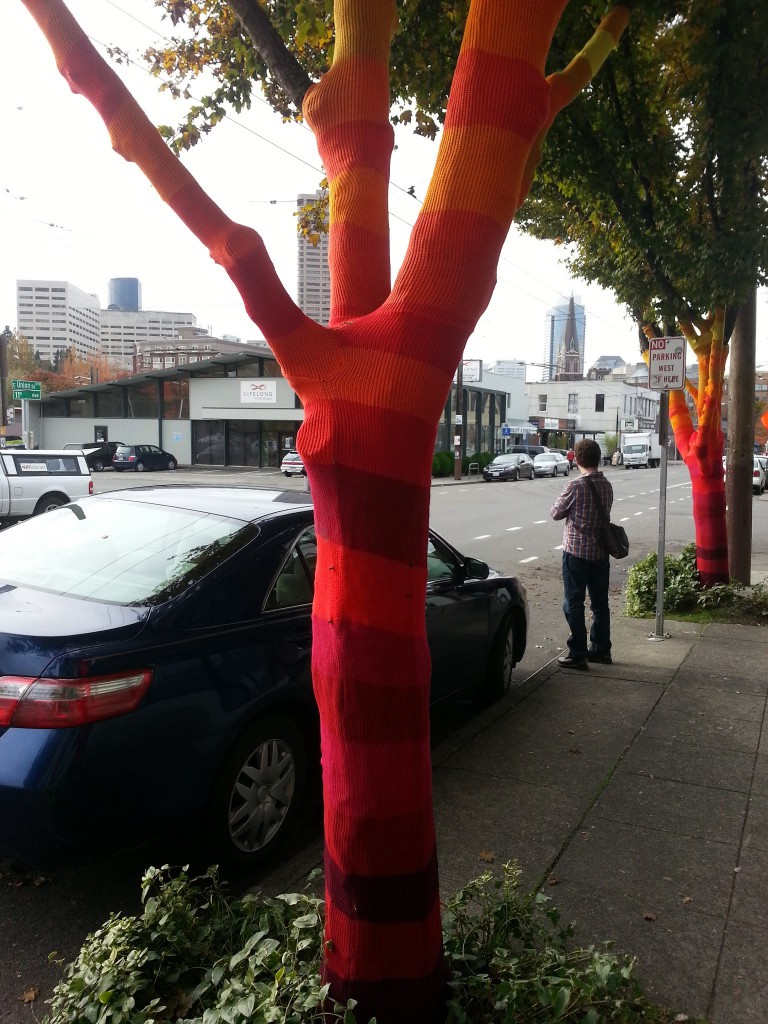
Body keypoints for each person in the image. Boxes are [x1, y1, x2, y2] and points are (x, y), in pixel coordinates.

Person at [550, 438, 613, 670]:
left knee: (573, 603)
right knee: (600, 603)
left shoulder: (575, 486)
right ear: (598, 459)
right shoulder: (606, 485)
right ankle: (601, 649)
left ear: (577, 459)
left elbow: (556, 512)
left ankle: (578, 653)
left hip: (575, 552)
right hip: (600, 553)